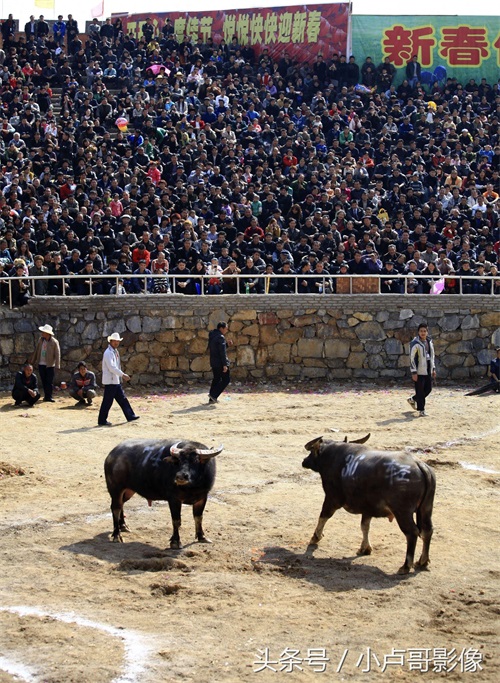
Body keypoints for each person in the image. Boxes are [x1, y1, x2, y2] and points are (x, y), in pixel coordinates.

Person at [97, 332, 139, 426]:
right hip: (110, 381)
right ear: (111, 341)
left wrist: (120, 376)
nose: (116, 343)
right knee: (108, 402)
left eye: (117, 341)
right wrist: (122, 375)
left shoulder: (115, 352)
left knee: (122, 399)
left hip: (114, 380)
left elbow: (116, 367)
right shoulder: (108, 353)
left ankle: (130, 415)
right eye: (115, 341)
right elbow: (112, 367)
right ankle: (102, 420)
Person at [408, 323, 436, 417]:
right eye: (421, 331)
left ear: (427, 332)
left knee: (428, 389)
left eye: (424, 331)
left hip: (428, 369)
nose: (423, 333)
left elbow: (432, 356)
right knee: (420, 390)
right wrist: (414, 372)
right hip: (419, 370)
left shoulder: (429, 342)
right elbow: (412, 358)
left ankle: (413, 399)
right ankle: (421, 410)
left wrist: (433, 368)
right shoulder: (415, 343)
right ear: (418, 332)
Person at [31, 324, 60, 403]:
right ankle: (46, 396)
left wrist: (57, 365)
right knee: (44, 380)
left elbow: (57, 354)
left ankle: (49, 396)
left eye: (43, 332)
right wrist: (33, 361)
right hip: (41, 363)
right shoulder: (41, 340)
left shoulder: (54, 342)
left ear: (47, 333)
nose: (42, 333)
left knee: (49, 381)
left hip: (50, 364)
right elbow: (37, 351)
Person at [208, 321, 230, 405]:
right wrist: (225, 364)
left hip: (214, 361)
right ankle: (213, 395)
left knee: (216, 379)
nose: (226, 331)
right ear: (221, 328)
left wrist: (226, 345)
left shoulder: (212, 335)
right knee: (226, 379)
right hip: (220, 362)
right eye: (226, 329)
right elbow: (222, 352)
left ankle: (212, 398)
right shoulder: (221, 337)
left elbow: (217, 348)